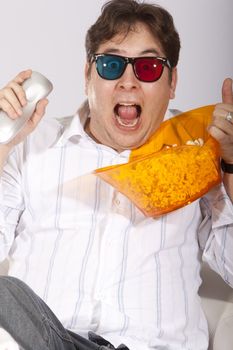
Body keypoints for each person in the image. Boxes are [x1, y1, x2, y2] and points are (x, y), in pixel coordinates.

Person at [0, 0, 232, 349]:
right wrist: (1, 145)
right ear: (87, 76)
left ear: (172, 83)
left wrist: (230, 167)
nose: (128, 82)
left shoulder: (200, 153)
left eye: (149, 67)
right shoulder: (30, 146)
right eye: (110, 64)